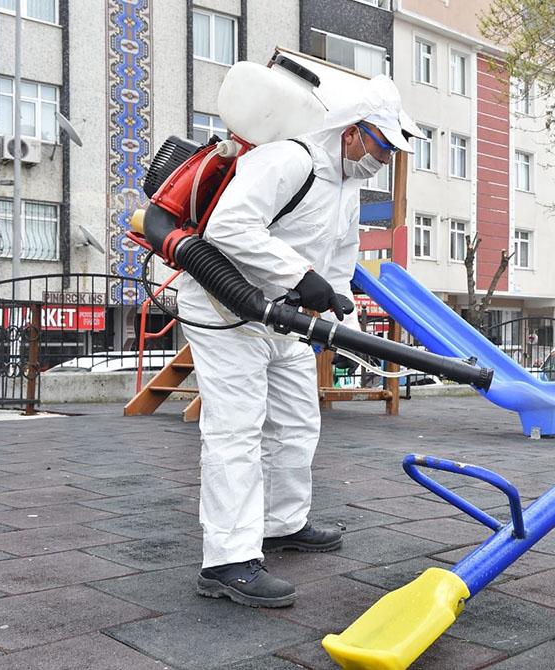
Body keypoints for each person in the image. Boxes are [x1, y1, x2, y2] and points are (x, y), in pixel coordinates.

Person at [177, 74, 420, 609]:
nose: (383, 160)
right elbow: (227, 227)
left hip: (280, 317)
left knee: (297, 420)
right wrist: (298, 275)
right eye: (380, 146)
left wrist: (342, 319)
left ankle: (281, 522)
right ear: (353, 132)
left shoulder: (347, 187)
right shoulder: (291, 160)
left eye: (391, 153)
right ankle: (226, 561)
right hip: (224, 308)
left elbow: (338, 261)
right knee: (235, 430)